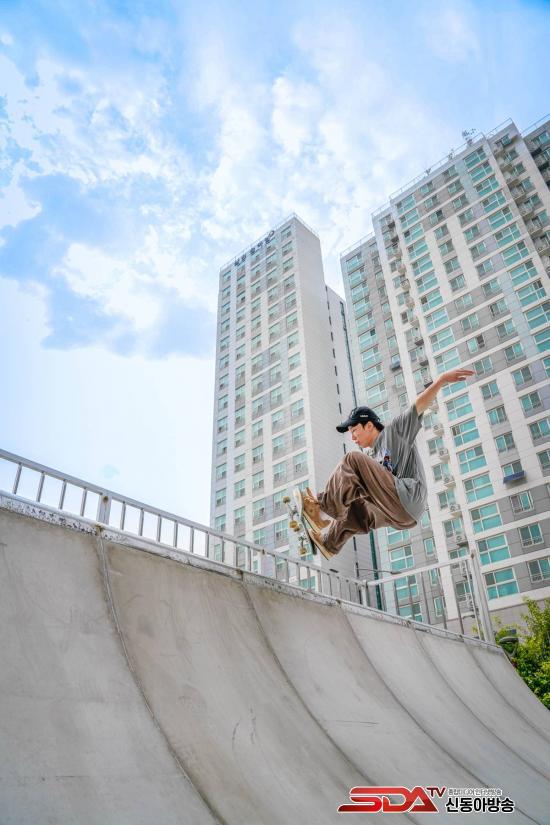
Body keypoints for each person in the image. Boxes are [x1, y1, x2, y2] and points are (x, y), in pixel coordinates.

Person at [295, 367, 475, 560]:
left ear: (369, 425)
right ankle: (329, 543)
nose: (353, 437)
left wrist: (440, 380)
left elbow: (418, 406)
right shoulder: (370, 461)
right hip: (400, 516)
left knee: (352, 459)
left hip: (409, 496)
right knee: (355, 503)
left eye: (354, 430)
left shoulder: (395, 431)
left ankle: (321, 510)